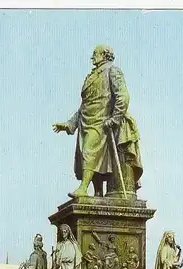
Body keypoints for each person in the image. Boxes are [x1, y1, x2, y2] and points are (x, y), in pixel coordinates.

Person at [53, 44, 143, 198]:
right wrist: (69, 124)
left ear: (105, 55)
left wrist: (115, 118)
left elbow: (123, 96)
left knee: (89, 151)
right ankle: (98, 192)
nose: (92, 56)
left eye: (95, 53)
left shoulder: (112, 70)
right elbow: (84, 106)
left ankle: (83, 188)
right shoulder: (91, 76)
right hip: (87, 121)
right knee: (87, 156)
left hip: (101, 121)